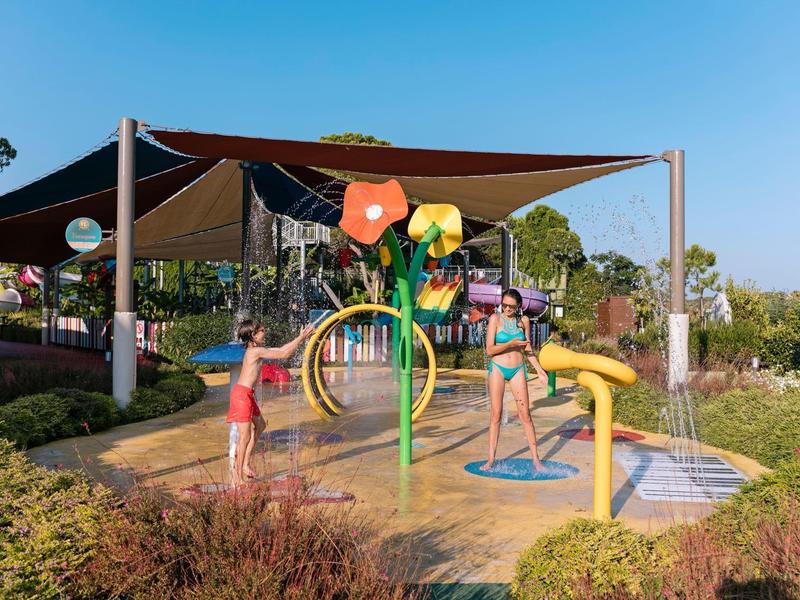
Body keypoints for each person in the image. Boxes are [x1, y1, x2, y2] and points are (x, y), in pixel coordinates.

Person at [228, 319, 315, 487]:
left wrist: (299, 337)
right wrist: (302, 337)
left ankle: (245, 464)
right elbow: (284, 354)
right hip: (241, 396)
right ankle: (237, 478)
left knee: (260, 426)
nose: (265, 332)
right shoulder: (255, 351)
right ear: (253, 335)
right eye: (262, 330)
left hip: (247, 395)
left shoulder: (257, 350)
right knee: (244, 437)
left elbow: (282, 350)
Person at [481, 289, 548, 472]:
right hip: (498, 368)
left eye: (511, 306)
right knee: (496, 414)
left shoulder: (523, 321)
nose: (507, 309)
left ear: (518, 306)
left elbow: (528, 350)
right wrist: (510, 344)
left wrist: (540, 371)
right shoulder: (495, 319)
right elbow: (489, 350)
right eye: (504, 305)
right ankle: (491, 459)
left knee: (525, 414)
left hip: (518, 369)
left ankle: (536, 460)